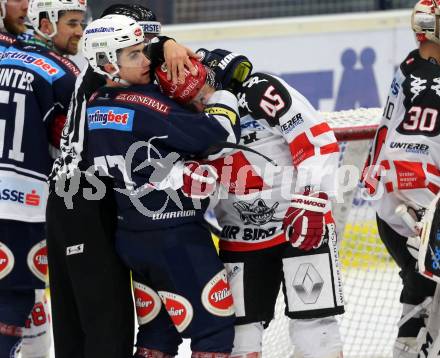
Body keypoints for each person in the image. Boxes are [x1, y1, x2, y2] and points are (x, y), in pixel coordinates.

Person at [156, 48, 345, 358]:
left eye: (202, 94)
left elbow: (314, 136)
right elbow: (159, 167)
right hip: (239, 237)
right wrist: (183, 175)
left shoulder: (259, 90)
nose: (200, 105)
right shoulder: (176, 117)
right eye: (189, 101)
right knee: (239, 340)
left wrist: (312, 197)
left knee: (317, 332)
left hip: (299, 224)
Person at [46, 3, 205, 357]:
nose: (147, 55)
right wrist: (168, 44)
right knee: (108, 330)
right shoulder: (105, 84)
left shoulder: (99, 73)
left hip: (67, 199)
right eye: (138, 48)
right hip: (85, 204)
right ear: (110, 52)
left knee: (76, 330)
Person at [81, 14, 241, 358]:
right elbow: (218, 136)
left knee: (157, 338)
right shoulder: (146, 106)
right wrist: (220, 95)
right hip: (176, 238)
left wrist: (164, 45)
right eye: (135, 55)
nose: (147, 61)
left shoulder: (94, 105)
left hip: (133, 240)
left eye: (144, 50)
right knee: (214, 335)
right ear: (106, 62)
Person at [0, 0, 86, 356]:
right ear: (45, 22)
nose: (80, 32)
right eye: (72, 23)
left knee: (27, 300)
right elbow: (71, 149)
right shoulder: (63, 75)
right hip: (24, 207)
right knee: (14, 304)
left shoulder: (5, 57)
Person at [362, 0, 440, 356]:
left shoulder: (414, 64)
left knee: (425, 289)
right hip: (411, 209)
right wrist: (417, 214)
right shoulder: (426, 82)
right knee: (423, 287)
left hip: (401, 207)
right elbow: (407, 161)